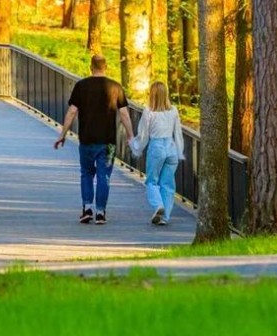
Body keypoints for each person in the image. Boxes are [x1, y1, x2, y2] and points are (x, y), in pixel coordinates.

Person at [53, 54, 134, 225]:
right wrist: (130, 136)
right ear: (106, 67)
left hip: (86, 140)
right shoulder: (115, 87)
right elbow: (124, 113)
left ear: (91, 67)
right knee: (104, 176)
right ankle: (101, 212)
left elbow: (72, 112)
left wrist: (62, 134)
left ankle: (87, 208)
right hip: (109, 143)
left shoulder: (81, 86)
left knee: (86, 174)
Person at [130, 81, 184, 226]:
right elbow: (178, 133)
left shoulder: (149, 112)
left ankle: (158, 205)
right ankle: (165, 217)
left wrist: (135, 146)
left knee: (152, 181)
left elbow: (143, 135)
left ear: (152, 94)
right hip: (171, 147)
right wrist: (180, 151)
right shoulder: (173, 110)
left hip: (157, 147)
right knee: (167, 184)